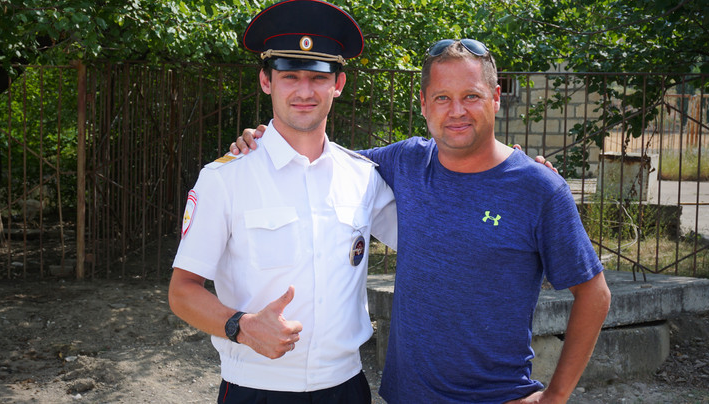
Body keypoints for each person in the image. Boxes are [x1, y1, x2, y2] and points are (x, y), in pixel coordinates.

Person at [232, 39, 611, 403]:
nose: (457, 111)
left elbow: (594, 294)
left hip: (495, 397)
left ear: (495, 99)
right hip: (406, 396)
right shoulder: (407, 161)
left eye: (472, 96)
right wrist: (264, 140)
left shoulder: (539, 189)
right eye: (443, 98)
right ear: (424, 104)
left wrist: (556, 396)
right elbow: (320, 160)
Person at [167, 1, 397, 403]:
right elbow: (182, 291)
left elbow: (431, 234)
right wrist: (242, 325)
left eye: (317, 77)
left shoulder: (363, 177)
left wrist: (510, 177)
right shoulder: (226, 178)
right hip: (256, 390)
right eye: (290, 76)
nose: (304, 91)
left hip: (346, 389)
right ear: (266, 81)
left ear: (338, 84)